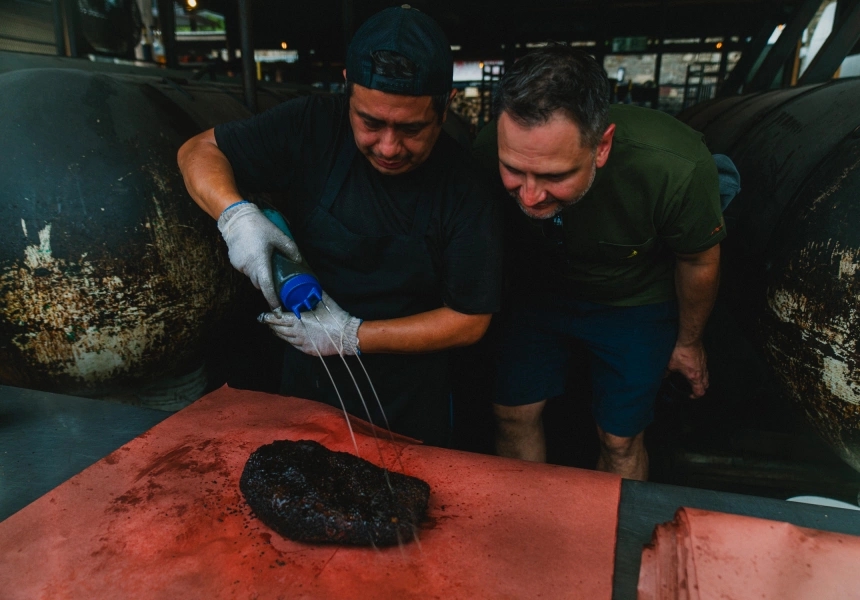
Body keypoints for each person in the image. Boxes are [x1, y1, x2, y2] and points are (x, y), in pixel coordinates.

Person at [177, 6, 502, 447]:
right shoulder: (310, 125)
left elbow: (470, 320)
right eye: (370, 122)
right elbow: (198, 150)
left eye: (411, 129)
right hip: (305, 379)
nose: (389, 147)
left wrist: (350, 336)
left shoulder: (466, 185)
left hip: (407, 393)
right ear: (347, 88)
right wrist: (235, 216)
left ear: (444, 109)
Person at [472, 45, 725, 480]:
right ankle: (523, 531)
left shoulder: (674, 165)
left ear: (602, 147)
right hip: (539, 291)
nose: (530, 196)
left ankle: (608, 542)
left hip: (635, 301)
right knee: (511, 415)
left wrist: (688, 342)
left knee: (620, 440)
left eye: (554, 175)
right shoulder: (480, 152)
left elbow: (698, 259)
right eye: (514, 169)